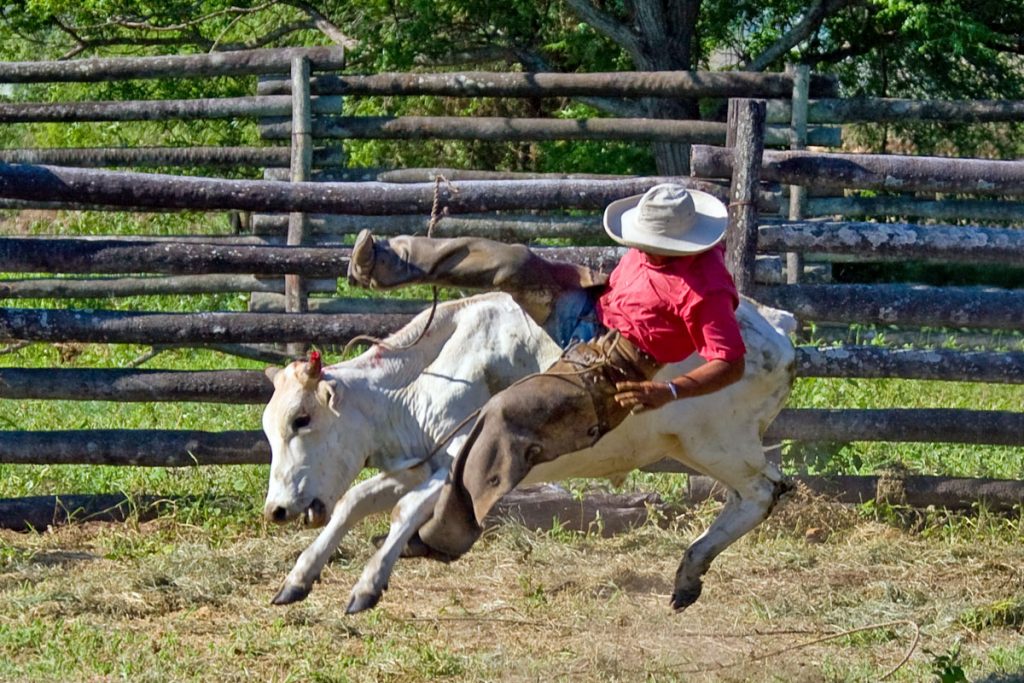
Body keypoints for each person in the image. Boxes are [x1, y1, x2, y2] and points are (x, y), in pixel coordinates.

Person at [346, 183, 746, 559]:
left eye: (655, 246)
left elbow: (730, 362)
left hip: (612, 369)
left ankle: (440, 537)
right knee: (512, 262)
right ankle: (387, 261)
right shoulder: (658, 248)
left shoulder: (705, 291)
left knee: (504, 413)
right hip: (591, 309)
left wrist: (670, 391)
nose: (644, 249)